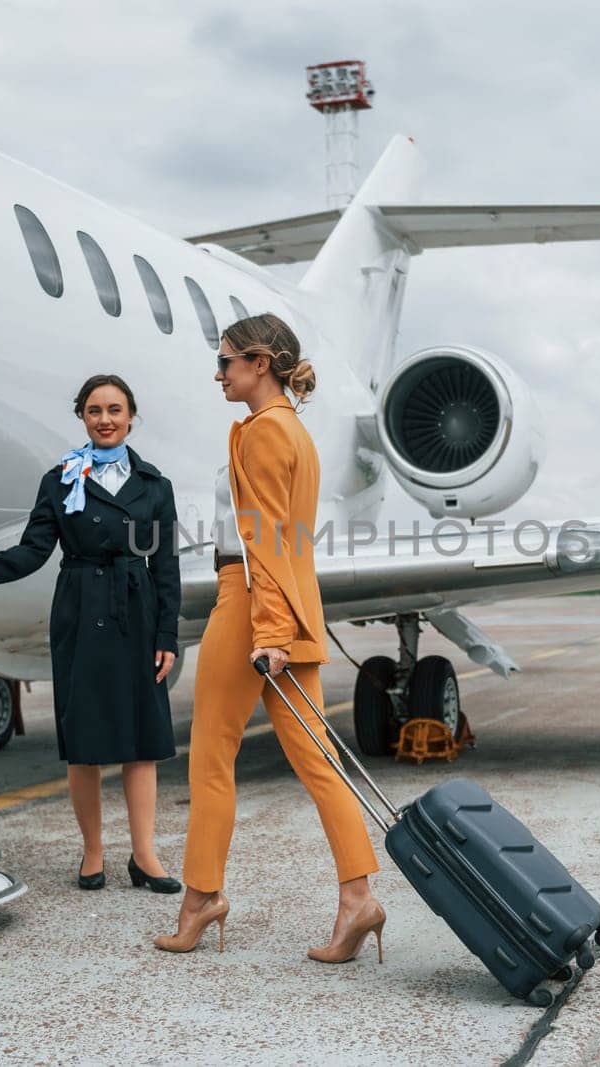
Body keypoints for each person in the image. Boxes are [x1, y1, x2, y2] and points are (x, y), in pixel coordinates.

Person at [155, 313, 385, 961]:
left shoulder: (260, 433)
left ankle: (201, 897)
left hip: (252, 599)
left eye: (226, 361)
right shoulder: (296, 433)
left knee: (210, 755)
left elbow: (263, 539)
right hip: (291, 601)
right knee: (318, 762)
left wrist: (271, 631)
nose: (218, 372)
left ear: (260, 362)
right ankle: (357, 898)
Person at [0, 375, 182, 893]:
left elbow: (166, 567)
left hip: (136, 612)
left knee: (141, 743)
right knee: (84, 742)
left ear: (131, 417)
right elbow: (32, 552)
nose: (105, 419)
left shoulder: (155, 485)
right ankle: (92, 853)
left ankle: (146, 856)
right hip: (81, 613)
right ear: (82, 417)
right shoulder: (62, 479)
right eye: (93, 410)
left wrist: (167, 635)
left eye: (114, 409)